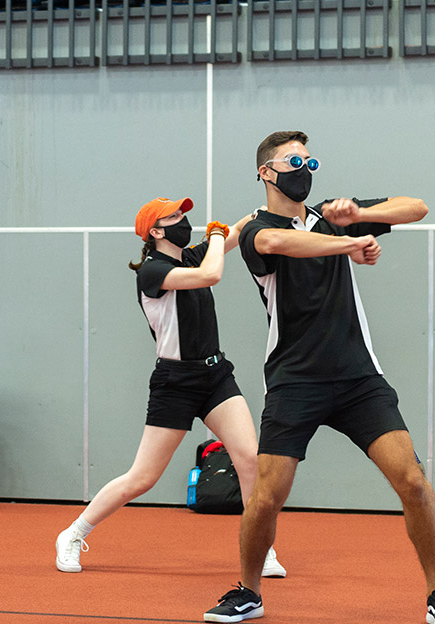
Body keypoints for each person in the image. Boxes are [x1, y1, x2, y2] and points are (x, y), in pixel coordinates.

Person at [203, 131, 435, 624]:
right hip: (294, 382)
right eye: (294, 160)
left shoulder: (329, 213)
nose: (305, 168)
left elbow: (418, 207)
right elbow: (283, 242)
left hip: (358, 379)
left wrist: (357, 214)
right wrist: (348, 242)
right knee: (267, 495)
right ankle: (249, 590)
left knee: (412, 482)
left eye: (311, 160)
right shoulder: (259, 229)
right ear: (266, 172)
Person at [55, 197, 287, 579]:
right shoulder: (152, 271)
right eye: (176, 216)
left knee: (249, 459)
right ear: (157, 231)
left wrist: (267, 208)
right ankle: (73, 533)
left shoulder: (190, 256)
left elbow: (239, 230)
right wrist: (215, 235)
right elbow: (212, 273)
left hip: (216, 376)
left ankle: (261, 548)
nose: (185, 220)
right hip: (175, 383)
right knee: (143, 477)